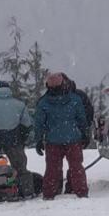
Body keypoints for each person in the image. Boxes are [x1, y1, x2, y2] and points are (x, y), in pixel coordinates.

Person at [31, 72, 95, 200]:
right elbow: (82, 119)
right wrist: (85, 134)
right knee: (76, 167)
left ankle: (49, 194)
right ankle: (81, 193)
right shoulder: (75, 99)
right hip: (73, 139)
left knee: (52, 169)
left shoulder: (43, 102)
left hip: (52, 141)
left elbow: (38, 124)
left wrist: (38, 140)